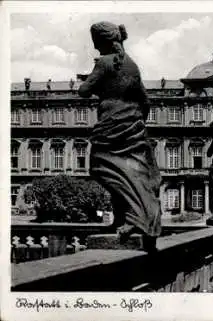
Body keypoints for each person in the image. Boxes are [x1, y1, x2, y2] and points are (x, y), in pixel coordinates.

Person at [78, 22, 161, 252]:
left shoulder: (104, 62)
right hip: (132, 125)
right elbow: (145, 100)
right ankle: (124, 218)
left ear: (101, 40)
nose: (93, 44)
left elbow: (84, 91)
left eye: (94, 39)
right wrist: (135, 121)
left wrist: (93, 81)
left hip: (111, 125)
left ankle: (134, 218)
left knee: (103, 168)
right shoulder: (132, 65)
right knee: (130, 172)